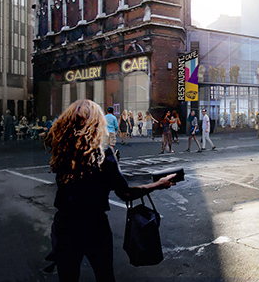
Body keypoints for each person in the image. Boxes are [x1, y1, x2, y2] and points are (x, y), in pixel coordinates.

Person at [43, 99, 175, 281]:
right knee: (105, 276)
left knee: (68, 277)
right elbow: (125, 193)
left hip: (65, 224)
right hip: (94, 226)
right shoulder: (103, 154)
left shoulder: (63, 150)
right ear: (97, 123)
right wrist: (158, 184)